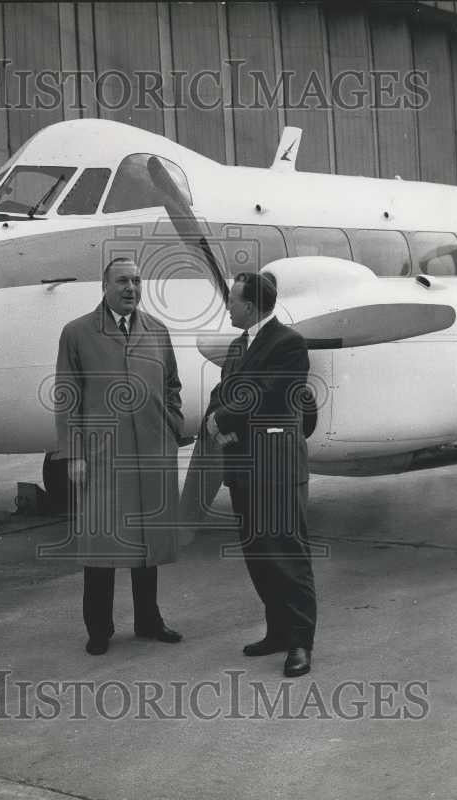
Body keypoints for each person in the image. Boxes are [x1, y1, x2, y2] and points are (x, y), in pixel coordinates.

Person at [54, 257, 184, 656]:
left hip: (151, 453)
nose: (131, 288)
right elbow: (66, 398)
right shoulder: (77, 333)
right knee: (102, 548)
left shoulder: (157, 332)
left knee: (147, 545)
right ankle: (99, 629)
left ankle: (149, 620)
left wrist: (171, 427)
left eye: (137, 281)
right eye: (123, 281)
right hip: (102, 457)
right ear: (105, 286)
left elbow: (173, 385)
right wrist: (74, 455)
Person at [203, 270, 317, 677]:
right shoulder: (238, 346)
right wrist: (216, 416)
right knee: (258, 555)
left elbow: (267, 393)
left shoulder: (288, 344)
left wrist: (224, 420)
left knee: (288, 554)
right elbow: (224, 391)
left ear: (250, 306)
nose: (228, 306)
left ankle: (301, 643)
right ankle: (278, 631)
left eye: (232, 300)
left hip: (275, 467)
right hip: (243, 465)